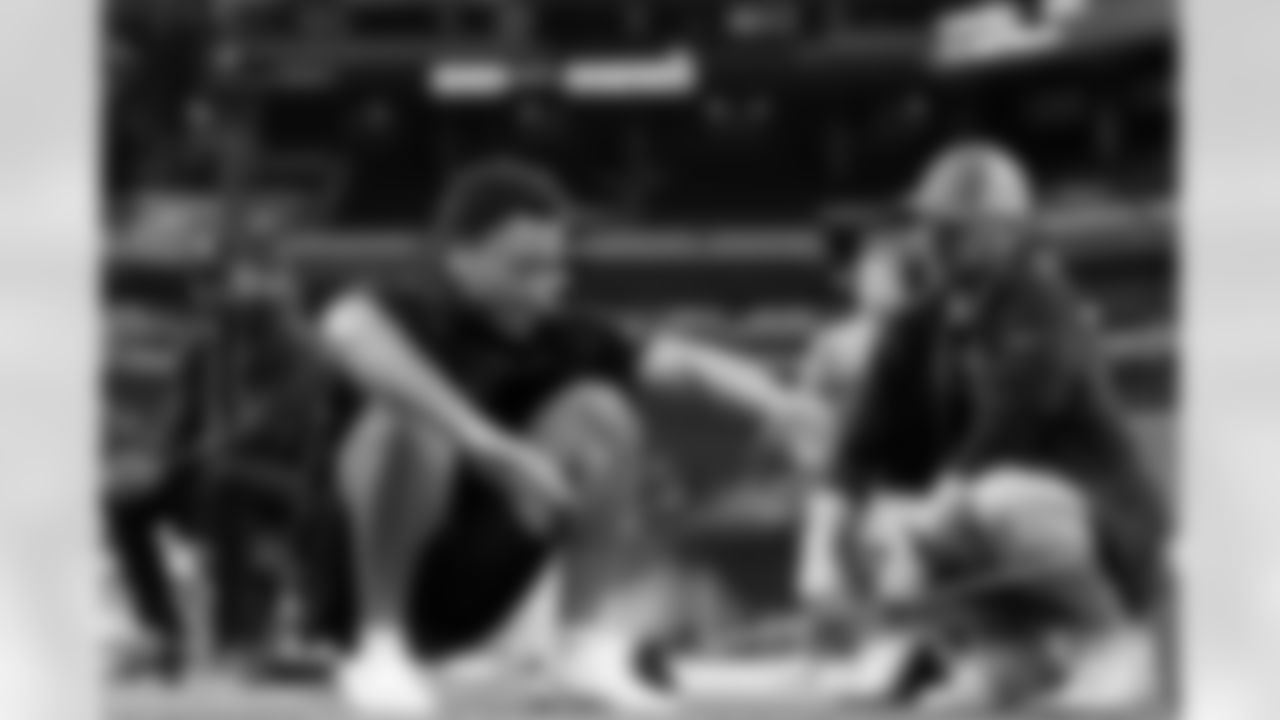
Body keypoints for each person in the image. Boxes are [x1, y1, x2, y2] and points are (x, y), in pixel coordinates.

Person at [315, 159, 819, 716]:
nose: (545, 285)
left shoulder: (558, 331)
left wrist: (782, 401)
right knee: (404, 419)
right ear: (458, 254)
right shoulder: (405, 303)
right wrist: (488, 445)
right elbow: (346, 328)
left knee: (602, 410)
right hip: (357, 584)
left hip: (475, 584)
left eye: (555, 267)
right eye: (523, 267)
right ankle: (378, 646)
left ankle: (582, 649)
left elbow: (683, 363)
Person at [832, 141, 1169, 709]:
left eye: (953, 230)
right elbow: (859, 442)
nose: (932, 243)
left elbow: (1011, 420)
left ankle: (1114, 642)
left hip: (1108, 526)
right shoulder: (921, 322)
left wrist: (924, 522)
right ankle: (1013, 652)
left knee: (992, 500)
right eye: (929, 227)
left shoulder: (1043, 303)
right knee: (894, 520)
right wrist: (835, 544)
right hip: (1004, 507)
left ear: (1006, 232)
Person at [789, 212, 923, 638]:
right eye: (866, 269)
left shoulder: (936, 339)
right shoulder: (832, 344)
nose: (873, 279)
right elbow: (802, 418)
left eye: (885, 269)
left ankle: (904, 619)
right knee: (828, 507)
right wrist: (818, 463)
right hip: (847, 479)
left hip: (915, 479)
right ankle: (828, 598)